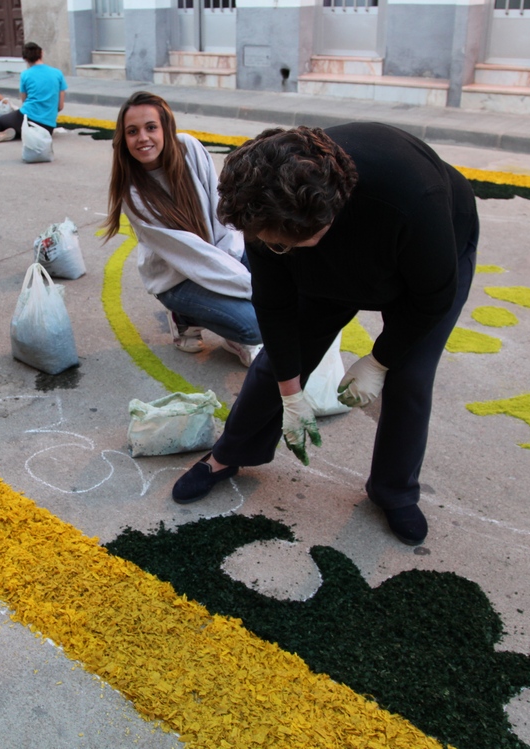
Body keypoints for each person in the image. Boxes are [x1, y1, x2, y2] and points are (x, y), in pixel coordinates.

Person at [169, 124, 480, 548]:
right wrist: (291, 393)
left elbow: (432, 297)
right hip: (327, 252)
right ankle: (228, 455)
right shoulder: (263, 203)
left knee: (409, 375)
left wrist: (379, 360)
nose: (273, 248)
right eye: (271, 244)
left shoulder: (412, 195)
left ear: (323, 216)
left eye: (283, 243)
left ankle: (394, 491)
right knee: (280, 358)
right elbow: (275, 309)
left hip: (420, 263)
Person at [102, 92, 261, 366]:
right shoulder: (132, 195)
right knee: (256, 325)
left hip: (220, 253)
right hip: (179, 279)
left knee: (281, 290)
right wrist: (253, 289)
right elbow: (194, 255)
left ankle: (225, 315)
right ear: (123, 138)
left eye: (151, 127)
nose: (143, 138)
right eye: (132, 131)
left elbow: (220, 210)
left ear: (165, 128)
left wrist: (240, 268)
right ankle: (185, 317)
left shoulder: (188, 147)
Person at [0, 41, 67, 145]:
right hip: (48, 128)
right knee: (22, 129)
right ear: (42, 53)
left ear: (25, 59)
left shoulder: (26, 75)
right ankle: (9, 134)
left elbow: (25, 102)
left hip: (28, 118)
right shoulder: (58, 74)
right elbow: (60, 106)